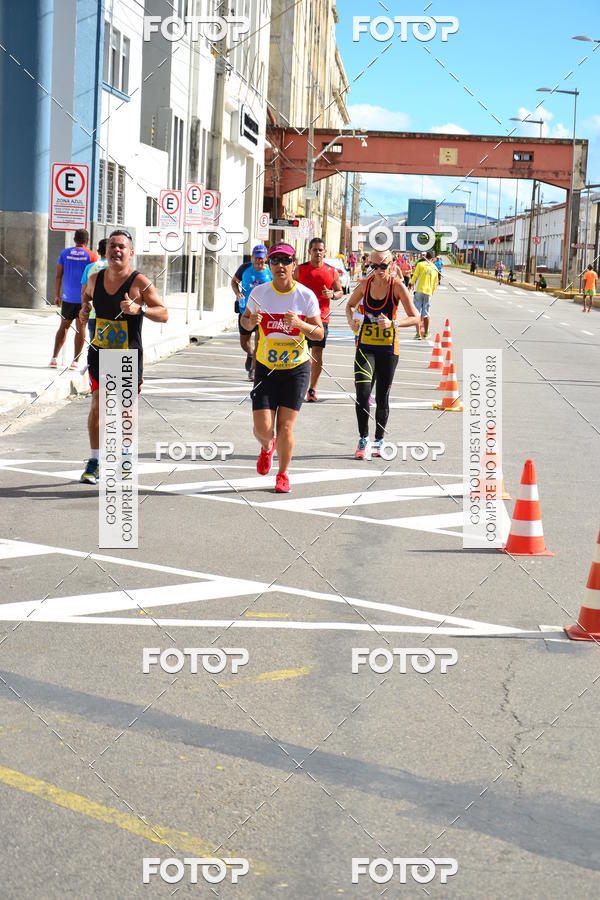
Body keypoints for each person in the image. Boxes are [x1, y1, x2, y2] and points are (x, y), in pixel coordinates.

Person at [78, 229, 168, 485]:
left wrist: (139, 309)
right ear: (105, 251)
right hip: (99, 352)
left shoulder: (139, 282)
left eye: (122, 247)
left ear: (131, 253)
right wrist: (85, 312)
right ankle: (95, 460)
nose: (117, 250)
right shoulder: (95, 279)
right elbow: (86, 298)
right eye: (112, 246)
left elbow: (163, 313)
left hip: (128, 355)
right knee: (98, 405)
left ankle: (126, 457)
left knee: (125, 409)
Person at [242, 243, 323, 494]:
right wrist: (249, 321)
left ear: (294, 265)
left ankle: (283, 474)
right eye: (274, 261)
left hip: (296, 370)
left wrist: (299, 323)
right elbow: (244, 323)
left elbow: (319, 333)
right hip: (267, 368)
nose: (280, 266)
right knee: (263, 429)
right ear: (269, 264)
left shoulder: (305, 296)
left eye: (285, 261)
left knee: (286, 426)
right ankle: (267, 448)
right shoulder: (260, 293)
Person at [346, 249, 419, 459]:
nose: (378, 270)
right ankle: (363, 438)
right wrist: (351, 321)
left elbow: (416, 318)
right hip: (365, 346)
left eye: (382, 266)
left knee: (382, 396)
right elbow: (350, 305)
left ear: (392, 265)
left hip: (388, 349)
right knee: (362, 393)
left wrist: (392, 323)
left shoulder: (397, 287)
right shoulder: (365, 284)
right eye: (373, 266)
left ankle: (379, 439)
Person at [295, 237, 343, 402]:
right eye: (314, 250)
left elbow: (339, 291)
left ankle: (312, 389)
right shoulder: (299, 270)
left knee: (317, 353)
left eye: (320, 250)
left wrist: (333, 295)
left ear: (324, 252)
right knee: (299, 351)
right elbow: (289, 287)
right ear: (309, 252)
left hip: (321, 318)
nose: (317, 253)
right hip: (301, 317)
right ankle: (298, 381)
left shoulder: (332, 271)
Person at [50, 229, 97, 369]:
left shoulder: (64, 253)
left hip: (68, 297)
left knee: (63, 326)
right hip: (85, 298)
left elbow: (58, 275)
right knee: (80, 328)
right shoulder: (92, 256)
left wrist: (57, 295)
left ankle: (54, 358)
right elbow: (94, 278)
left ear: (74, 239)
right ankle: (75, 362)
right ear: (87, 241)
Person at [236, 245, 272, 381]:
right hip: (245, 311)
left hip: (262, 313)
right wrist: (238, 293)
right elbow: (234, 281)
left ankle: (253, 370)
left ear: (266, 258)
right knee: (244, 343)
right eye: (256, 258)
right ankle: (250, 354)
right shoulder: (244, 268)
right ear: (252, 258)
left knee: (258, 342)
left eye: (261, 259)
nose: (259, 261)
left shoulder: (270, 272)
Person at [81, 238, 108, 348]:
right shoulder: (116, 268)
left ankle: (94, 364)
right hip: (112, 315)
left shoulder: (89, 267)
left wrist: (84, 309)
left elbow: (84, 292)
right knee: (112, 348)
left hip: (93, 313)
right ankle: (110, 365)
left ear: (98, 251)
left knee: (94, 346)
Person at [410, 249, 438, 339]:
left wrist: (410, 284)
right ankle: (426, 333)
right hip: (428, 292)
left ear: (425, 257)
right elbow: (435, 283)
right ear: (433, 259)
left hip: (418, 290)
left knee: (417, 313)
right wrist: (432, 293)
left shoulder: (420, 264)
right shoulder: (435, 268)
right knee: (426, 313)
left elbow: (415, 276)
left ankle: (418, 334)